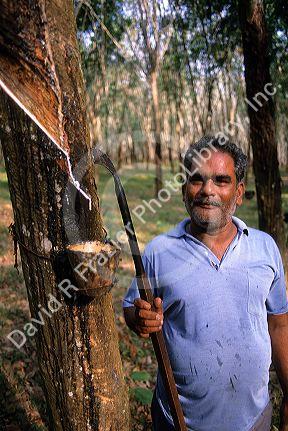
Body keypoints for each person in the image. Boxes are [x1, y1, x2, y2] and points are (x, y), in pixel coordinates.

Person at [122, 136, 288, 431]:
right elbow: (132, 309)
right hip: (179, 421)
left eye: (221, 181)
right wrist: (140, 318)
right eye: (196, 180)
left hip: (254, 420)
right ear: (185, 190)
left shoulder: (265, 249)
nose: (207, 190)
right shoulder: (159, 252)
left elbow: (279, 324)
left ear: (238, 193)